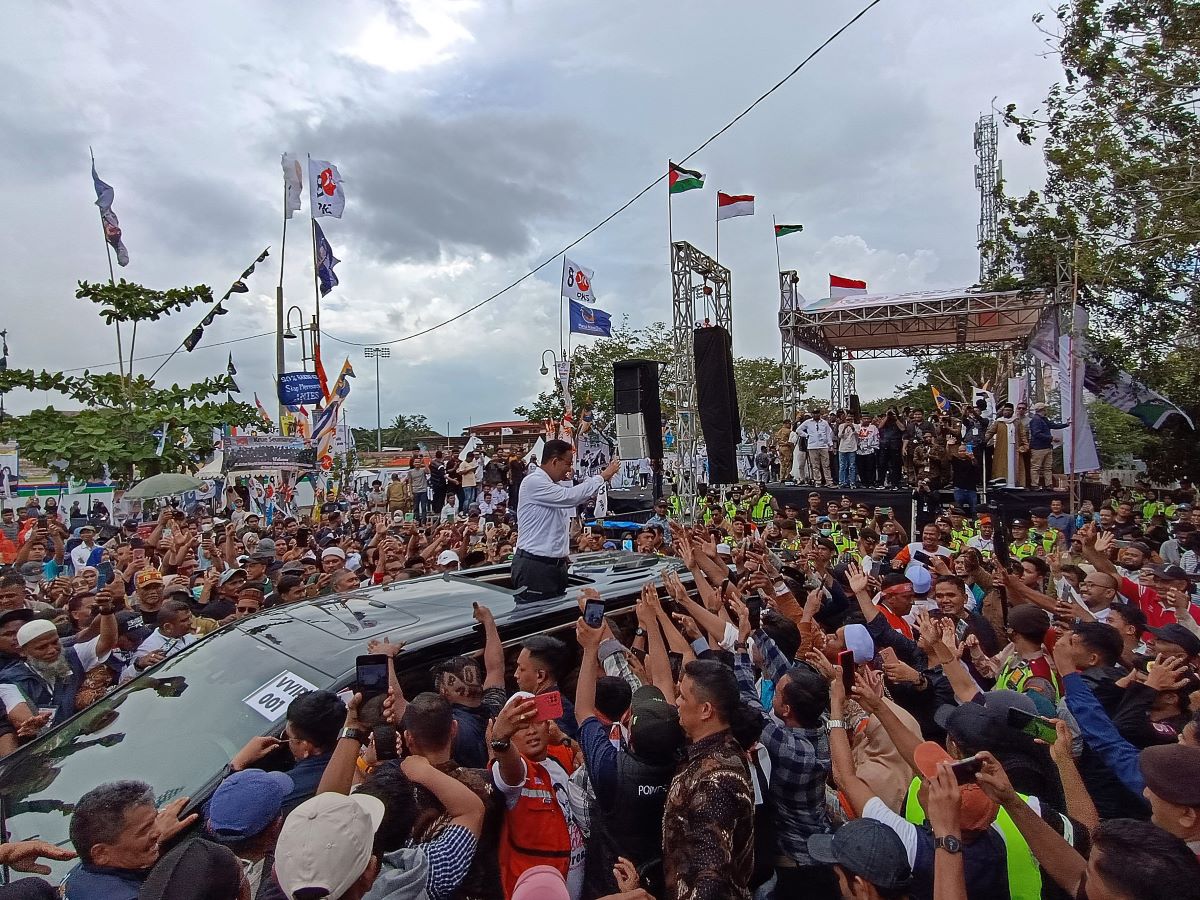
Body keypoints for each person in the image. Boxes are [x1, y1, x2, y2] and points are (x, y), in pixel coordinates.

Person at [662, 659, 755, 900]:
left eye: (682, 697)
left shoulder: (715, 783)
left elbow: (710, 878)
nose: (677, 703)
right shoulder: (717, 749)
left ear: (705, 710)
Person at [489, 692, 585, 898]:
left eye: (537, 722)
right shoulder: (514, 771)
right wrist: (500, 741)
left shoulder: (561, 754)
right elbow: (511, 770)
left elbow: (587, 763)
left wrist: (565, 739)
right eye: (521, 727)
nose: (531, 731)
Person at [512, 440, 620, 603]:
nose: (570, 470)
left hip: (555, 565)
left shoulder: (554, 486)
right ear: (555, 461)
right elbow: (571, 498)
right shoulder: (533, 482)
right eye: (568, 464)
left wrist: (561, 553)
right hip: (535, 566)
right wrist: (603, 476)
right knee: (539, 622)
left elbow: (555, 526)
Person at [62, 781, 196, 899]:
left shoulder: (81, 873)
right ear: (101, 853)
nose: (158, 832)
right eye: (144, 829)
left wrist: (150, 837)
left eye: (155, 819)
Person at [230, 689, 345, 815]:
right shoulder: (350, 762)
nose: (285, 740)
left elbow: (220, 814)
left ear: (305, 747)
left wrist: (237, 764)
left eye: (288, 736)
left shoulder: (284, 789)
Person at [1028, 403, 1069, 490]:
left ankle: (1048, 484)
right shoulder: (1036, 420)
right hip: (1038, 447)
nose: (1046, 411)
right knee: (1036, 467)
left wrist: (1066, 424)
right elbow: (1036, 433)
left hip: (1046, 446)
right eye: (1045, 409)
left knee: (1047, 467)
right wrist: (1051, 438)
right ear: (1042, 409)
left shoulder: (1043, 419)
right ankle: (1034, 484)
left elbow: (1053, 425)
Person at [801, 411, 835, 487]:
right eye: (814, 413)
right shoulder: (808, 422)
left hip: (823, 445)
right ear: (812, 414)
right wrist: (806, 435)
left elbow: (828, 434)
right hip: (812, 446)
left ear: (819, 414)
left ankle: (829, 481)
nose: (816, 415)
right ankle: (817, 481)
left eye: (817, 413)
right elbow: (798, 430)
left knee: (826, 464)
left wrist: (830, 444)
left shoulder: (824, 422)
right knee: (815, 465)